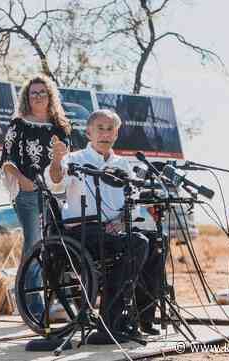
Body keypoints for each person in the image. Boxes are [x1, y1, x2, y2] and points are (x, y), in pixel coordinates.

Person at [45, 109, 149, 342]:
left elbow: (133, 200)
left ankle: (143, 319)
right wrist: (56, 161)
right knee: (138, 243)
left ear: (117, 133)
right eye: (100, 129)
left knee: (155, 243)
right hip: (82, 230)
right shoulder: (75, 159)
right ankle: (109, 322)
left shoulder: (122, 163)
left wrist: (121, 221)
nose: (105, 133)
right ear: (89, 132)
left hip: (116, 229)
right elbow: (55, 185)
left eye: (110, 129)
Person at [0, 74, 71, 317]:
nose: (38, 96)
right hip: (27, 193)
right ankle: (31, 305)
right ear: (27, 98)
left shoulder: (60, 127)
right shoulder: (18, 125)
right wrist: (22, 180)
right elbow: (6, 161)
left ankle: (60, 300)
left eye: (42, 92)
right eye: (33, 93)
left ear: (50, 96)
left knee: (59, 246)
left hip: (56, 194)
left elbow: (68, 162)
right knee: (34, 246)